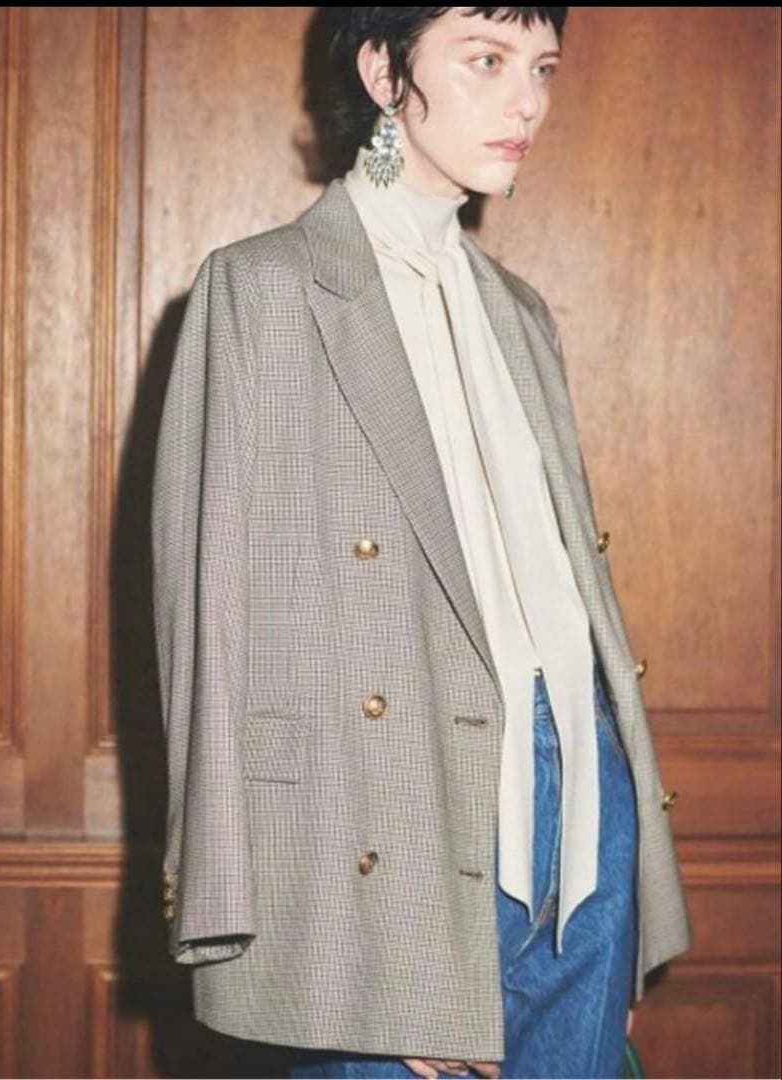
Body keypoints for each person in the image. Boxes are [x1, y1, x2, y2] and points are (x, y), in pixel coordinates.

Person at [150, 7, 692, 1080]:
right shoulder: (262, 290)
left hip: (579, 809)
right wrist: (331, 952)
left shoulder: (519, 313)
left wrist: (608, 895)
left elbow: (562, 596)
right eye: (487, 61)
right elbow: (207, 629)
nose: (528, 101)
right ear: (383, 70)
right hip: (388, 834)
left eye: (543, 67)